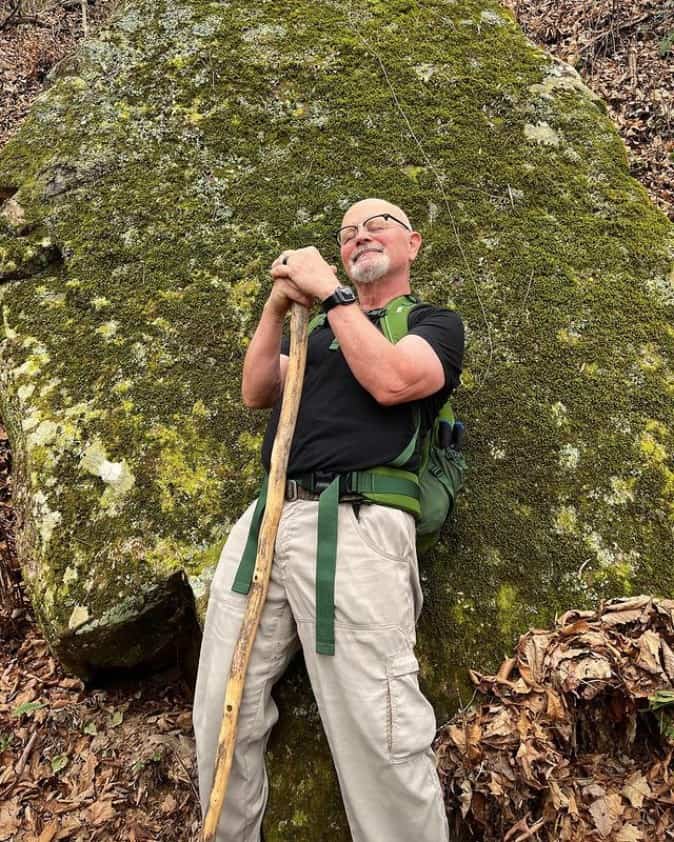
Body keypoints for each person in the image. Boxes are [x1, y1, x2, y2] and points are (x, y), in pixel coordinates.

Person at [193, 197, 464, 842]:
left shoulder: (433, 324)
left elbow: (396, 382)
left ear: (412, 244)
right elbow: (258, 390)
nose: (360, 234)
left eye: (377, 225)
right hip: (268, 517)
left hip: (359, 526)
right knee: (220, 706)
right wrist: (276, 308)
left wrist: (335, 297)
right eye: (347, 232)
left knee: (380, 726)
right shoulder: (313, 338)